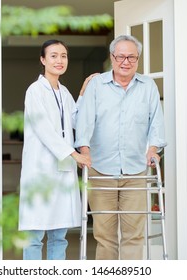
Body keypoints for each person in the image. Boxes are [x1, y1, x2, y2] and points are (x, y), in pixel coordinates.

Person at [74, 35, 167, 260]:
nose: (126, 62)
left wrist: (153, 149)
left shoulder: (148, 86)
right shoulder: (97, 84)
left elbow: (156, 122)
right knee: (104, 235)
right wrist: (84, 152)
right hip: (100, 169)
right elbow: (84, 121)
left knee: (134, 235)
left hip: (135, 171)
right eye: (121, 56)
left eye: (132, 57)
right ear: (112, 57)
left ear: (138, 59)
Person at [18, 39, 95, 260]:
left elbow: (75, 120)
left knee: (59, 236)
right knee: (34, 237)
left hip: (62, 171)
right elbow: (45, 131)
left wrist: (82, 93)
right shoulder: (35, 91)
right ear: (43, 60)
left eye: (63, 56)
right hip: (40, 171)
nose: (59, 60)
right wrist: (75, 154)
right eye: (53, 55)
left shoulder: (64, 91)